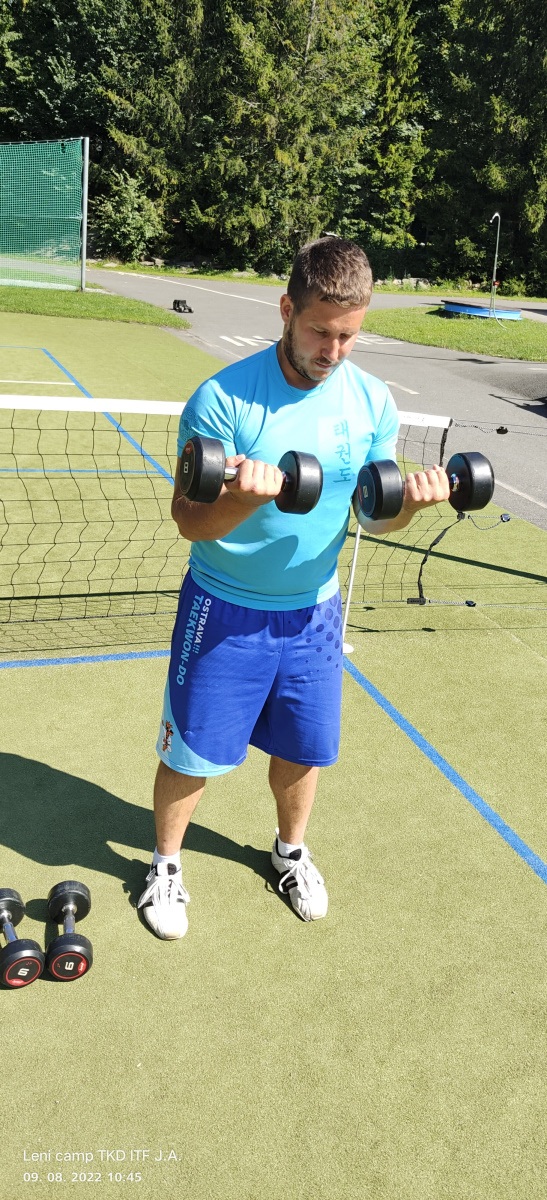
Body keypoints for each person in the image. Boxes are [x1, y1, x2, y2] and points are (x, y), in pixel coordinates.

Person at [137, 236, 450, 938]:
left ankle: (289, 853)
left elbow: (375, 513)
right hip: (223, 607)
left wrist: (411, 506)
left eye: (348, 336)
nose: (332, 351)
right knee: (191, 753)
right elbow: (188, 520)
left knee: (304, 750)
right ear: (286, 310)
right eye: (319, 331)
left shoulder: (371, 400)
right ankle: (165, 865)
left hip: (315, 613)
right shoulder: (222, 399)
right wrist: (242, 500)